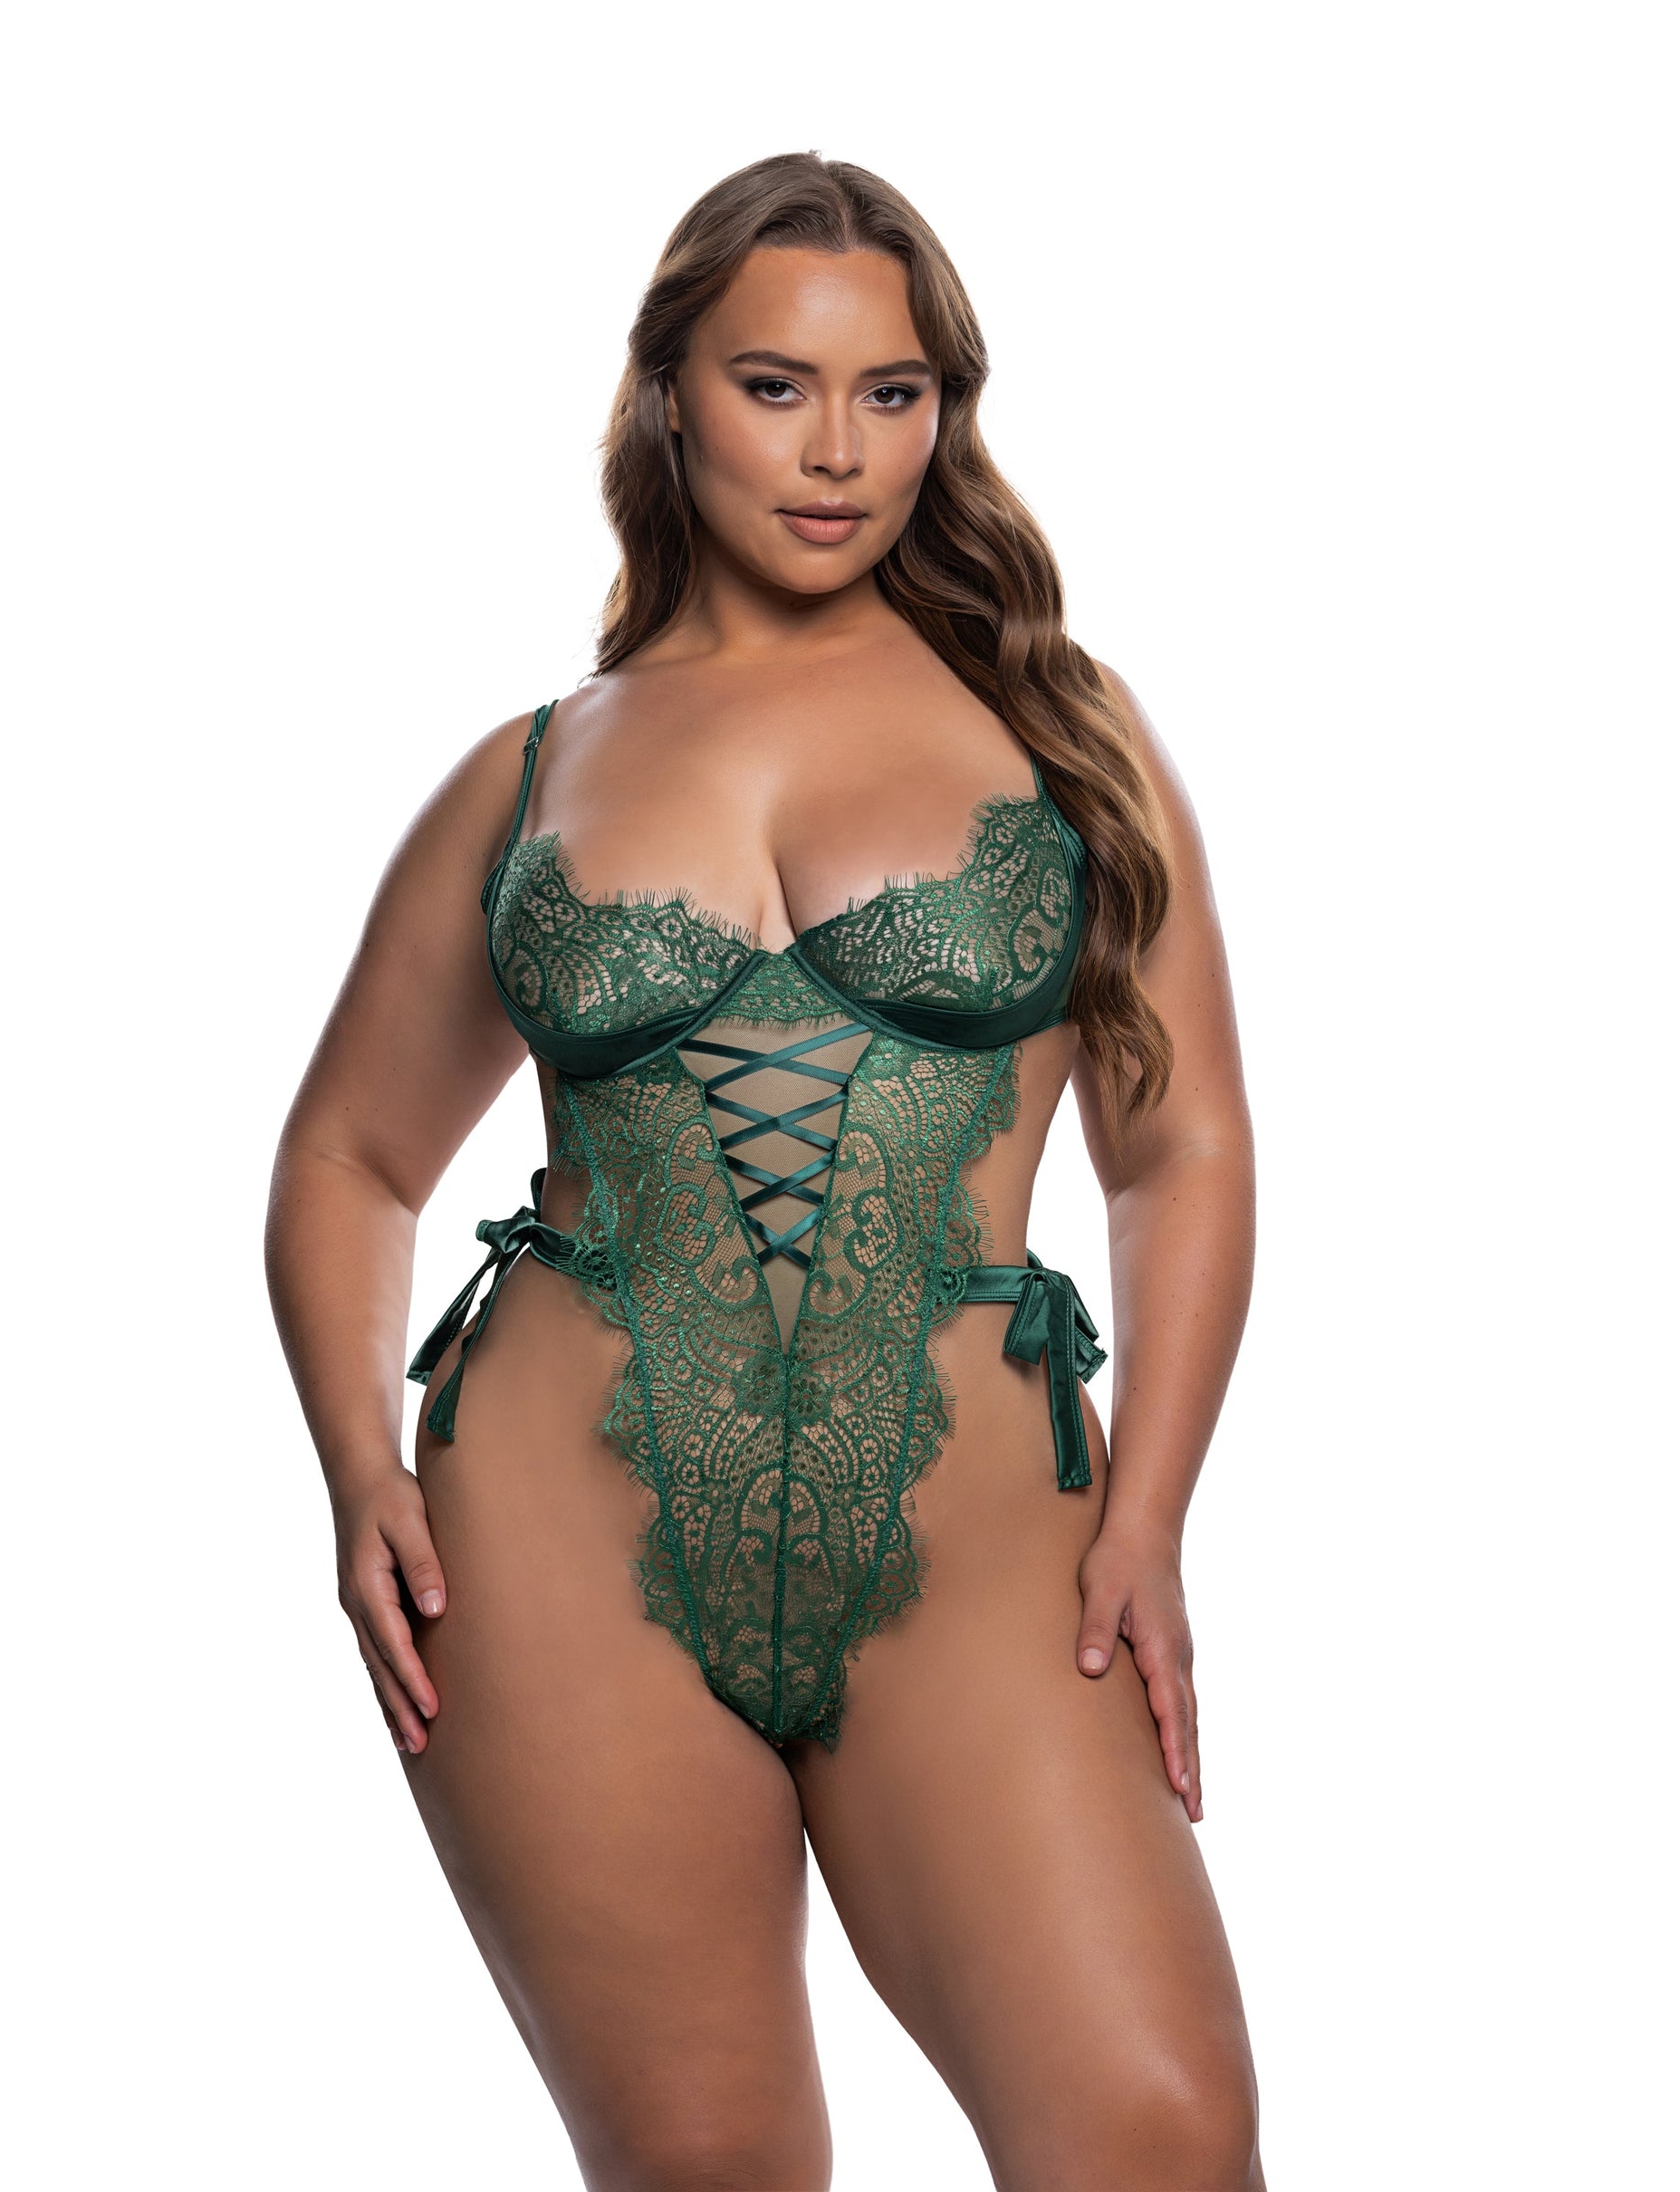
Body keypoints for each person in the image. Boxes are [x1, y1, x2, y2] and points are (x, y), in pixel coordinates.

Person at [266, 151, 1264, 2192]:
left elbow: (1179, 1144)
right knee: (707, 2163)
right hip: (554, 1535)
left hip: (979, 1546)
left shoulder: (1062, 731)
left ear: (943, 413)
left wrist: (1151, 1508)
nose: (836, 452)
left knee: (1153, 2133)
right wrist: (359, 1466)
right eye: (775, 385)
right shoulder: (533, 769)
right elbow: (349, 1150)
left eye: (891, 393)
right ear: (668, 396)